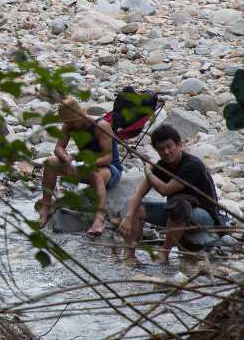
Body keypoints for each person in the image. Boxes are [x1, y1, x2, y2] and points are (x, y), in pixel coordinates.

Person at [119, 123, 222, 263]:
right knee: (137, 207)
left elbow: (165, 190)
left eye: (169, 146)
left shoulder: (192, 164)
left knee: (180, 206)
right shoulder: (162, 167)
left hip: (204, 216)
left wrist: (148, 171)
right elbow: (139, 193)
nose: (166, 152)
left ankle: (164, 253)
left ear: (179, 144)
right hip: (177, 213)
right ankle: (129, 255)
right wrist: (128, 217)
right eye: (161, 149)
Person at [36, 97, 122, 237]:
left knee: (95, 173)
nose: (70, 125)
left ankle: (99, 219)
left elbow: (108, 158)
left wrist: (89, 164)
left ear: (80, 115)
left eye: (72, 122)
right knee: (50, 162)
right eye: (67, 122)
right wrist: (67, 159)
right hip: (83, 165)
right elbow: (59, 148)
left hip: (109, 169)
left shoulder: (101, 126)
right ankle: (46, 206)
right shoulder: (69, 125)